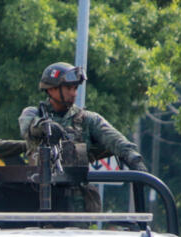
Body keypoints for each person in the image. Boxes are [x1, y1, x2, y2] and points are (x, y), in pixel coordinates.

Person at [19, 62, 147, 211]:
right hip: (38, 201)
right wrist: (44, 127)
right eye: (68, 88)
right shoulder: (33, 114)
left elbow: (116, 140)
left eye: (75, 88)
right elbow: (27, 127)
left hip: (76, 206)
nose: (74, 93)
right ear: (51, 89)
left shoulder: (88, 120)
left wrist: (134, 159)